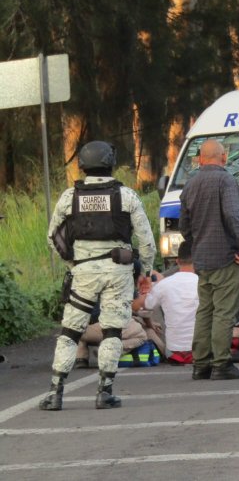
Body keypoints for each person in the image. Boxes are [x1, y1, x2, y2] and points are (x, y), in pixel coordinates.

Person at [39, 141, 156, 411]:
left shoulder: (70, 197)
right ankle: (105, 392)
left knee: (69, 331)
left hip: (83, 271)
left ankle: (55, 393)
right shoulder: (126, 196)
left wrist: (73, 263)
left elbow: (52, 236)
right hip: (119, 273)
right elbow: (146, 241)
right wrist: (146, 272)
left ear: (82, 165)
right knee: (112, 331)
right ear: (111, 163)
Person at [179, 139, 239, 380]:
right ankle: (221, 363)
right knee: (223, 312)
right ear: (224, 158)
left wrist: (196, 243)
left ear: (200, 158)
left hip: (202, 260)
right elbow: (233, 214)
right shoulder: (226, 180)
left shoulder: (190, 184)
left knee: (205, 311)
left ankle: (201, 364)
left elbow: (184, 226)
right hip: (225, 257)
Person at [132, 241, 199, 364]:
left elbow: (139, 306)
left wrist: (151, 287)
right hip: (201, 350)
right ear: (199, 260)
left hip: (173, 352)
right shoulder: (204, 284)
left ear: (177, 261)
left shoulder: (164, 284)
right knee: (236, 331)